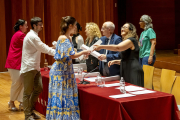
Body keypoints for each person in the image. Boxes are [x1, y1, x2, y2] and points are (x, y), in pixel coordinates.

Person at [46, 16, 90, 120]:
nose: (76, 27)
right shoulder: (63, 38)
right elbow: (71, 55)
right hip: (60, 71)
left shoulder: (68, 38)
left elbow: (72, 53)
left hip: (67, 70)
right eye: (75, 25)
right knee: (62, 94)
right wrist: (84, 52)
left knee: (67, 95)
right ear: (70, 26)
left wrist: (83, 55)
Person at [20, 17, 55, 120]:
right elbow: (43, 48)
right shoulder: (32, 36)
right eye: (40, 24)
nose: (42, 26)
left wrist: (53, 48)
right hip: (29, 68)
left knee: (38, 88)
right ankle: (27, 115)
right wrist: (58, 52)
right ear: (34, 25)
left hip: (35, 67)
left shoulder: (34, 36)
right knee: (27, 93)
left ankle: (30, 111)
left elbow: (41, 47)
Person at [93, 23, 144, 87]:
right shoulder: (125, 41)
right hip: (126, 69)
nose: (122, 28)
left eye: (125, 27)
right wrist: (116, 61)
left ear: (131, 30)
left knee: (135, 92)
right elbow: (127, 58)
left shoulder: (131, 40)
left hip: (133, 70)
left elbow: (117, 47)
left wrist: (101, 46)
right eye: (122, 27)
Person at [5, 19, 28, 111]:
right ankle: (11, 101)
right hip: (14, 62)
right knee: (17, 82)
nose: (27, 27)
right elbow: (30, 45)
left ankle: (21, 101)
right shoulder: (20, 35)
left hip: (17, 61)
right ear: (20, 26)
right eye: (25, 25)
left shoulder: (18, 34)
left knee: (22, 81)